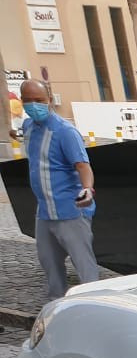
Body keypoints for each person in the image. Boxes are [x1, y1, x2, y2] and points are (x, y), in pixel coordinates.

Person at [13, 80, 98, 300]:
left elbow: (82, 165)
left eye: (39, 100)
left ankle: (93, 304)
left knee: (84, 265)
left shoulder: (65, 131)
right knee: (49, 261)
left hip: (70, 209)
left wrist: (87, 189)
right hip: (44, 211)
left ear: (49, 99)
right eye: (28, 100)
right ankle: (57, 305)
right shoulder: (28, 126)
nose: (34, 105)